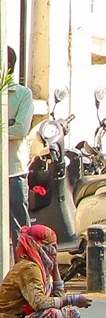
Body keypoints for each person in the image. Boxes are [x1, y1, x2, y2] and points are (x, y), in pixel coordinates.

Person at [7, 47, 33, 236]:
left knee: (19, 229)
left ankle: (25, 265)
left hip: (13, 172)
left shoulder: (23, 94)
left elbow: (21, 129)